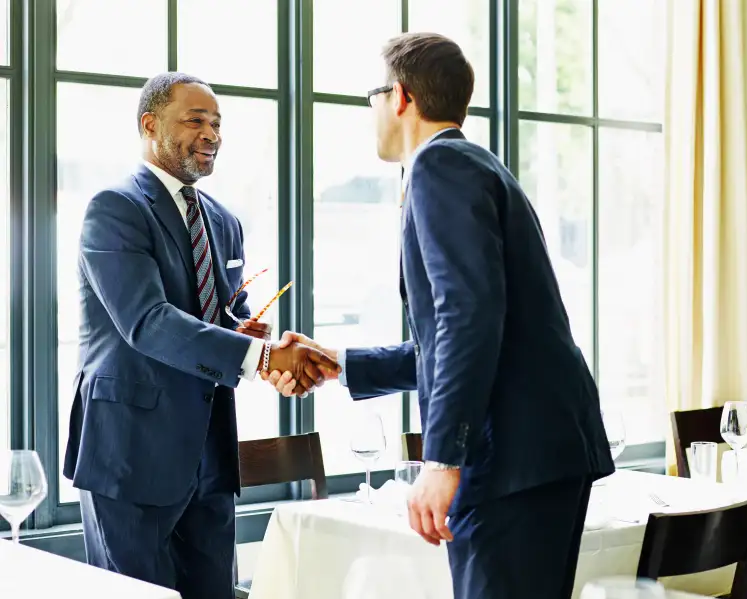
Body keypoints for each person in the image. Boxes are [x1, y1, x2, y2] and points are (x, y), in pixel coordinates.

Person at [262, 33, 614, 599]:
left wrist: (442, 459)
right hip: (542, 448)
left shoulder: (438, 167)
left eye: (373, 95)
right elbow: (470, 329)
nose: (371, 110)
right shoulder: (476, 165)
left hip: (510, 459)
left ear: (400, 96)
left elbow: (467, 320)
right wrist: (341, 363)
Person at [63, 72, 338, 599]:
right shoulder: (115, 209)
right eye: (196, 120)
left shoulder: (224, 220)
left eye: (217, 123)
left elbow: (221, 314)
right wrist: (260, 356)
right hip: (130, 454)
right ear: (150, 124)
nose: (212, 133)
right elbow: (148, 322)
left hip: (211, 454)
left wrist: (244, 330)